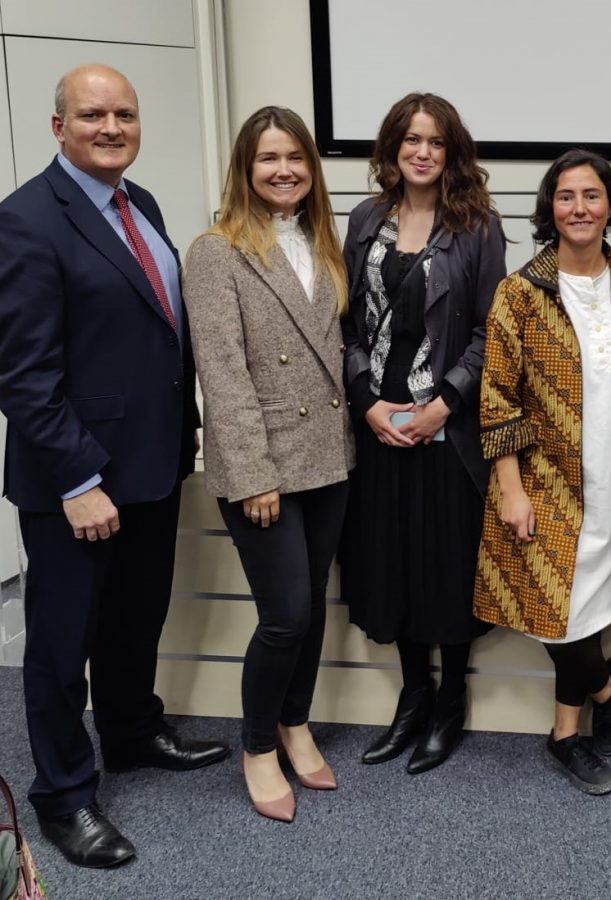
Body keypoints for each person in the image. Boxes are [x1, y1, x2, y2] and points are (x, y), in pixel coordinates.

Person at [0, 65, 228, 868]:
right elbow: (22, 374)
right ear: (58, 127)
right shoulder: (25, 220)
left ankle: (130, 734)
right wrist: (76, 480)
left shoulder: (144, 205)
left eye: (124, 114)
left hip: (150, 466)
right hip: (77, 484)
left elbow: (154, 336)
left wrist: (186, 430)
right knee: (63, 646)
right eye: (92, 115)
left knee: (135, 621)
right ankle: (63, 796)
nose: (111, 127)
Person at [473, 149, 611, 794]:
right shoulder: (520, 293)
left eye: (592, 195)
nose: (580, 208)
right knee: (555, 615)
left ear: (610, 206)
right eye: (566, 196)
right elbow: (497, 397)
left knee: (586, 611)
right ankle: (602, 685)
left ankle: (566, 732)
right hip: (543, 483)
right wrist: (510, 490)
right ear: (549, 209)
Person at [183, 106, 354, 822]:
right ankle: (258, 744)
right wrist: (254, 474)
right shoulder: (217, 250)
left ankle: (296, 722)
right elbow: (221, 371)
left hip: (329, 457)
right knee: (283, 615)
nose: (283, 170)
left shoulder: (322, 239)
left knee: (311, 609)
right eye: (267, 159)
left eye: (295, 158)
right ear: (245, 169)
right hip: (264, 465)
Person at [340, 93, 506, 772]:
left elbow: (489, 331)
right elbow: (345, 325)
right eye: (411, 139)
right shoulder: (362, 220)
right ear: (392, 148)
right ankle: (413, 695)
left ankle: (450, 702)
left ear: (452, 152)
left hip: (445, 427)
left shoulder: (476, 226)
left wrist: (445, 403)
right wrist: (366, 401)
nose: (422, 152)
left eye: (436, 142)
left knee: (445, 562)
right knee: (392, 559)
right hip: (379, 422)